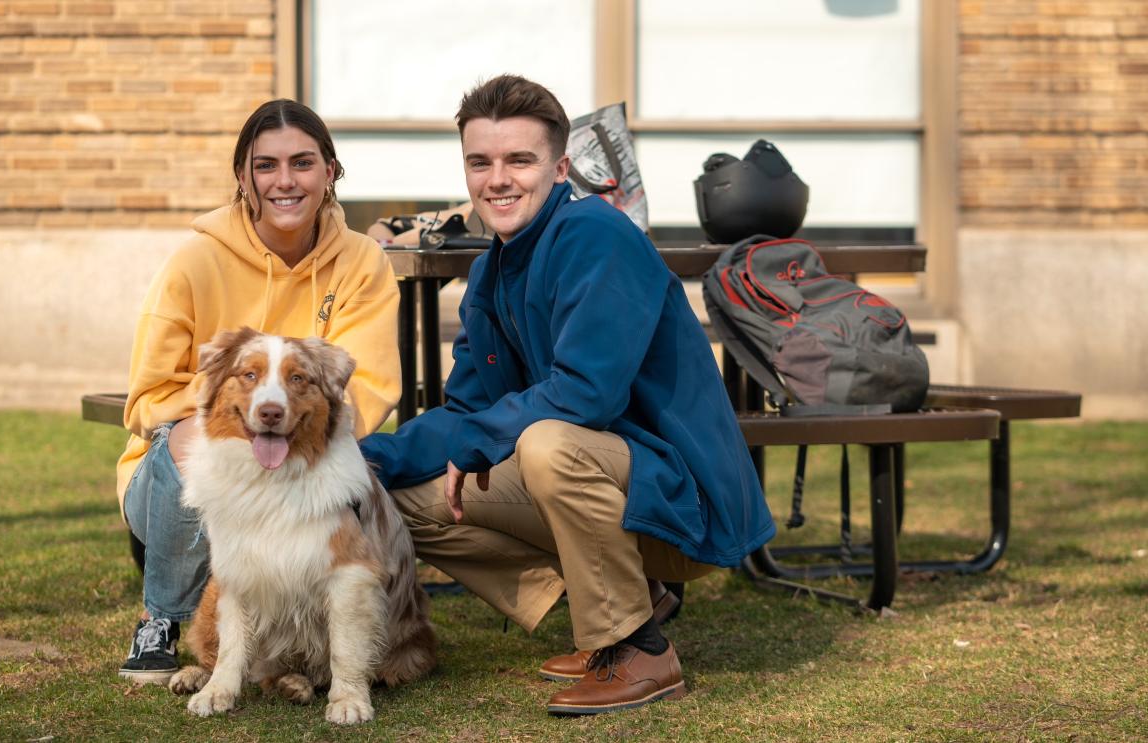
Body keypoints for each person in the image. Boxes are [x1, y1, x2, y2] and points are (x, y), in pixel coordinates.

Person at [359, 75, 775, 715]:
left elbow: (585, 395)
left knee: (548, 443)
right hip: (617, 486)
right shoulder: (489, 274)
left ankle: (639, 648)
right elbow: (467, 414)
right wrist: (364, 462)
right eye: (481, 162)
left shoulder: (594, 235)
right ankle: (619, 600)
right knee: (400, 500)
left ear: (558, 167)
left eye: (519, 160)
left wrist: (477, 440)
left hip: (682, 497)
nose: (498, 179)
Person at [115, 99, 401, 685]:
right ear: (243, 177)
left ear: (330, 172)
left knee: (352, 484)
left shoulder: (361, 261)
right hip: (179, 478)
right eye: (265, 166)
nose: (285, 181)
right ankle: (160, 620)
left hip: (303, 459)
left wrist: (289, 418)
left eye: (302, 163)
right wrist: (242, 408)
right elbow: (148, 395)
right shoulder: (195, 259)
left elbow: (367, 388)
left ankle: (316, 645)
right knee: (196, 436)